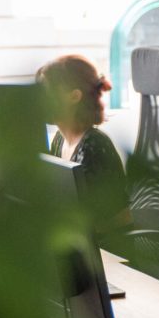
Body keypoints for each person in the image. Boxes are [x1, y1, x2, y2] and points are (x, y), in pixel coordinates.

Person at [35, 55, 129, 236]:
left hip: (104, 250)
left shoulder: (95, 146)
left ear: (74, 96)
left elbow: (111, 217)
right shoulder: (59, 141)